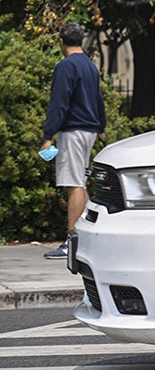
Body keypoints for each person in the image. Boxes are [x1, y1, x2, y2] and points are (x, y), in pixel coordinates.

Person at [40, 23, 106, 259]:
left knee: (74, 184)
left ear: (61, 42)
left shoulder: (66, 66)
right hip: (89, 130)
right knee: (80, 183)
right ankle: (88, 239)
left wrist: (48, 135)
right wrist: (101, 127)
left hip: (73, 131)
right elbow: (98, 99)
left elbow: (59, 102)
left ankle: (72, 244)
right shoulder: (90, 65)